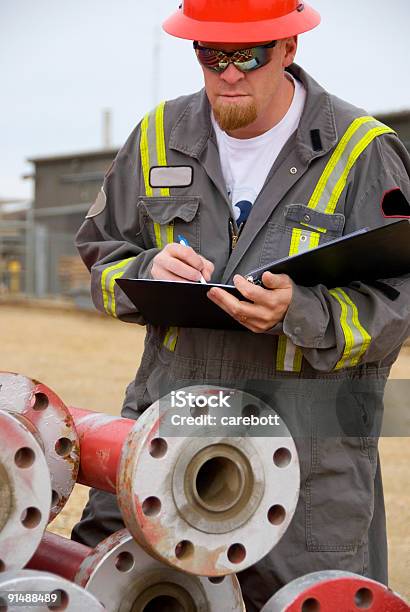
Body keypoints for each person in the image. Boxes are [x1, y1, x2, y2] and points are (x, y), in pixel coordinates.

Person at [72, 1, 410, 609]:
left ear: (289, 49)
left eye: (248, 55)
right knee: (123, 592)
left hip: (309, 461)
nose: (228, 73)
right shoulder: (158, 137)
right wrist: (147, 270)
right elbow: (99, 258)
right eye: (210, 54)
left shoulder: (363, 152)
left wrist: (301, 312)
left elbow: (403, 299)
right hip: (168, 435)